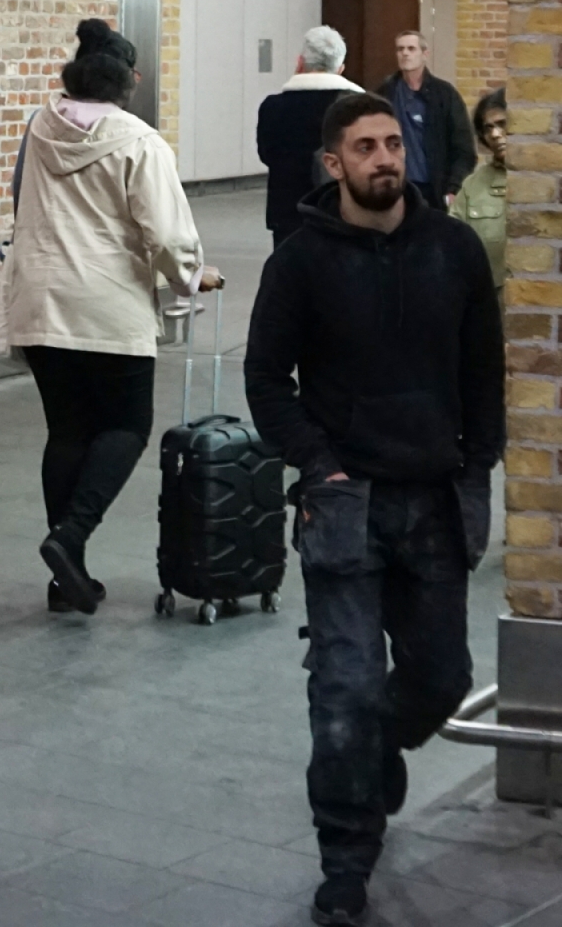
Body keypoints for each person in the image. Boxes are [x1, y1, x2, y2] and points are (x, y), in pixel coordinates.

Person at [245, 91, 503, 927]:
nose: (386, 158)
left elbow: (484, 372)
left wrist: (476, 471)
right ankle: (346, 861)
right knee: (345, 691)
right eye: (367, 147)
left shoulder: (453, 250)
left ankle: (383, 750)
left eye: (394, 143)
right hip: (345, 504)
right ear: (335, 164)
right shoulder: (302, 262)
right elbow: (265, 380)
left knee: (442, 678)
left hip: (433, 497)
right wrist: (317, 467)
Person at [0, 18, 213, 615]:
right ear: (128, 82)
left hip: (42, 301)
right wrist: (192, 276)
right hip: (108, 307)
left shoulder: (39, 127)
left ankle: (69, 578)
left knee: (67, 430)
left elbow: (21, 202)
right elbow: (166, 232)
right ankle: (70, 537)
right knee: (125, 426)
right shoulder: (140, 141)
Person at [256, 26, 359, 249]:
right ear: (340, 69)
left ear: (300, 63)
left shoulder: (273, 107)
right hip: (341, 212)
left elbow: (266, 155)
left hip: (287, 212)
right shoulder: (356, 108)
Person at [379, 30, 475, 210]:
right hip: (396, 187)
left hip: (434, 189)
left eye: (411, 49)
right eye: (400, 49)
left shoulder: (444, 95)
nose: (405, 53)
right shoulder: (385, 93)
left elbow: (464, 148)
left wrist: (454, 187)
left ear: (425, 54)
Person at [450, 88, 509, 304]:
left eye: (502, 124)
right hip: (488, 303)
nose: (494, 134)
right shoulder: (473, 186)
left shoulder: (551, 181)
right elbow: (452, 244)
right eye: (488, 128)